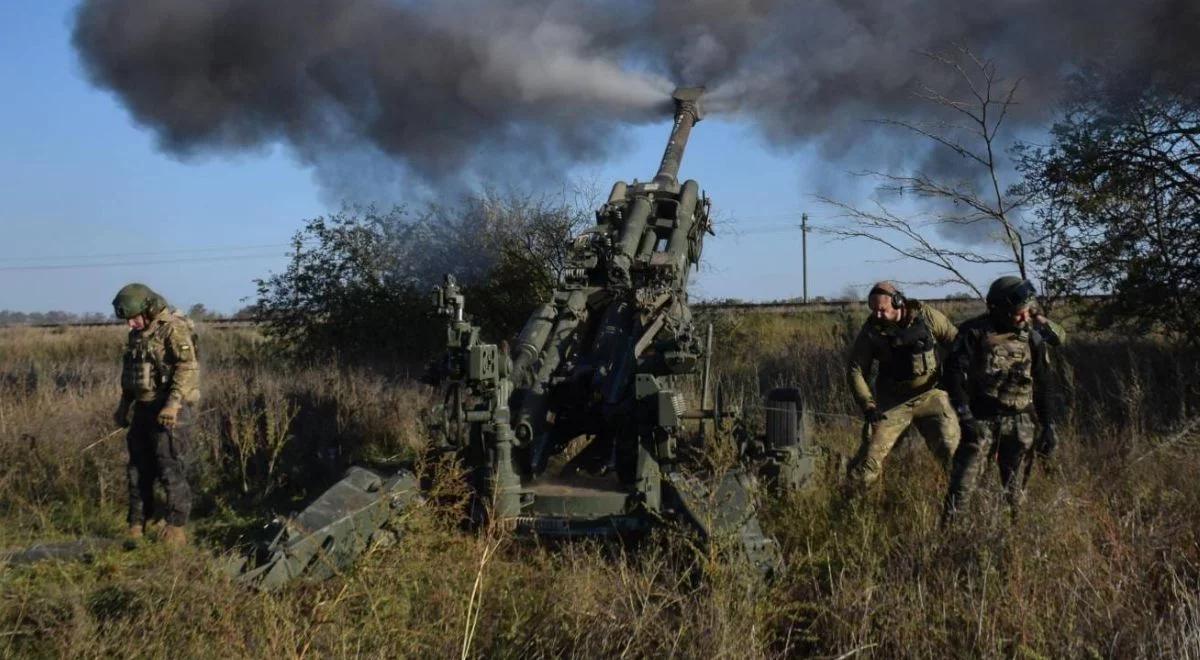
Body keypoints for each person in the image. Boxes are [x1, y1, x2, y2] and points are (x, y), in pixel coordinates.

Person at [942, 276, 1061, 521]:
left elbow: (1043, 382)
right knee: (961, 490)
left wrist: (1048, 424)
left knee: (1015, 494)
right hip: (980, 421)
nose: (1024, 317)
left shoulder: (1033, 337)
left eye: (1027, 312)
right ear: (1000, 309)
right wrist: (965, 419)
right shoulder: (973, 332)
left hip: (1020, 422)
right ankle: (951, 541)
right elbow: (953, 376)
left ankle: (1013, 540)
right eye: (1018, 313)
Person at [844, 281, 961, 494]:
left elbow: (957, 343)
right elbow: (856, 369)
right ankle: (849, 505)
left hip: (932, 395)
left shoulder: (927, 317)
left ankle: (958, 506)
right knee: (868, 460)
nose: (877, 315)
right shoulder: (872, 330)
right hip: (893, 400)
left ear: (898, 302)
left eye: (882, 310)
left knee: (953, 453)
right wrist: (868, 405)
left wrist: (955, 382)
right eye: (874, 310)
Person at [111, 283, 200, 546]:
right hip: (143, 408)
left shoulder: (173, 328)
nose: (130, 324)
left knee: (169, 466)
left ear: (148, 310)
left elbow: (187, 368)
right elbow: (131, 374)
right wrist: (123, 406)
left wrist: (172, 405)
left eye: (134, 318)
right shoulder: (137, 334)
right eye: (127, 320)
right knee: (137, 469)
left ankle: (175, 526)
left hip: (170, 410)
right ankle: (138, 523)